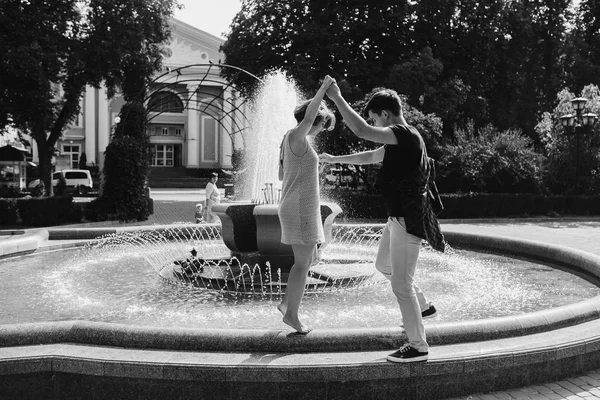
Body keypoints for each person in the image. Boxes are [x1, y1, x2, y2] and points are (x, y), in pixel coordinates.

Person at [319, 81, 444, 363]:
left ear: (385, 115)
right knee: (382, 265)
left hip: (405, 220)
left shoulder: (403, 134)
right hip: (396, 219)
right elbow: (371, 156)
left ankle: (418, 346)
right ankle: (423, 307)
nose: (373, 125)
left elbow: (361, 130)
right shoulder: (405, 139)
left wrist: (337, 98)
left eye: (375, 118)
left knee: (401, 284)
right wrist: (335, 157)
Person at [277, 76, 336, 334]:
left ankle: (286, 303)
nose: (321, 128)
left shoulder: (291, 140)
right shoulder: (297, 135)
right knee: (302, 263)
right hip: (300, 207)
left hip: (300, 206)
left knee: (309, 257)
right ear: (315, 119)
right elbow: (309, 120)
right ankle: (292, 315)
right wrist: (322, 89)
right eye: (323, 124)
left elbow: (281, 176)